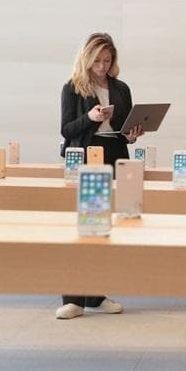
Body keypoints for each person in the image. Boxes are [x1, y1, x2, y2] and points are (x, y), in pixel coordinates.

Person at [58, 32, 144, 320]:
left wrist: (132, 135)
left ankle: (96, 296)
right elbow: (66, 129)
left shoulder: (121, 88)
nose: (102, 66)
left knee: (106, 227)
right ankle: (73, 299)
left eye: (107, 60)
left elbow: (124, 127)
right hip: (86, 156)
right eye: (97, 60)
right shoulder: (73, 87)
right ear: (87, 59)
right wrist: (91, 118)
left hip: (115, 154)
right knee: (82, 226)